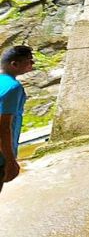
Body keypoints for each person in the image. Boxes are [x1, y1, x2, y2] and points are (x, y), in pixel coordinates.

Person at [0, 46, 33, 194]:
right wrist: (10, 160)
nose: (32, 64)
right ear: (14, 64)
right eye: (29, 61)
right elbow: (3, 127)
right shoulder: (13, 87)